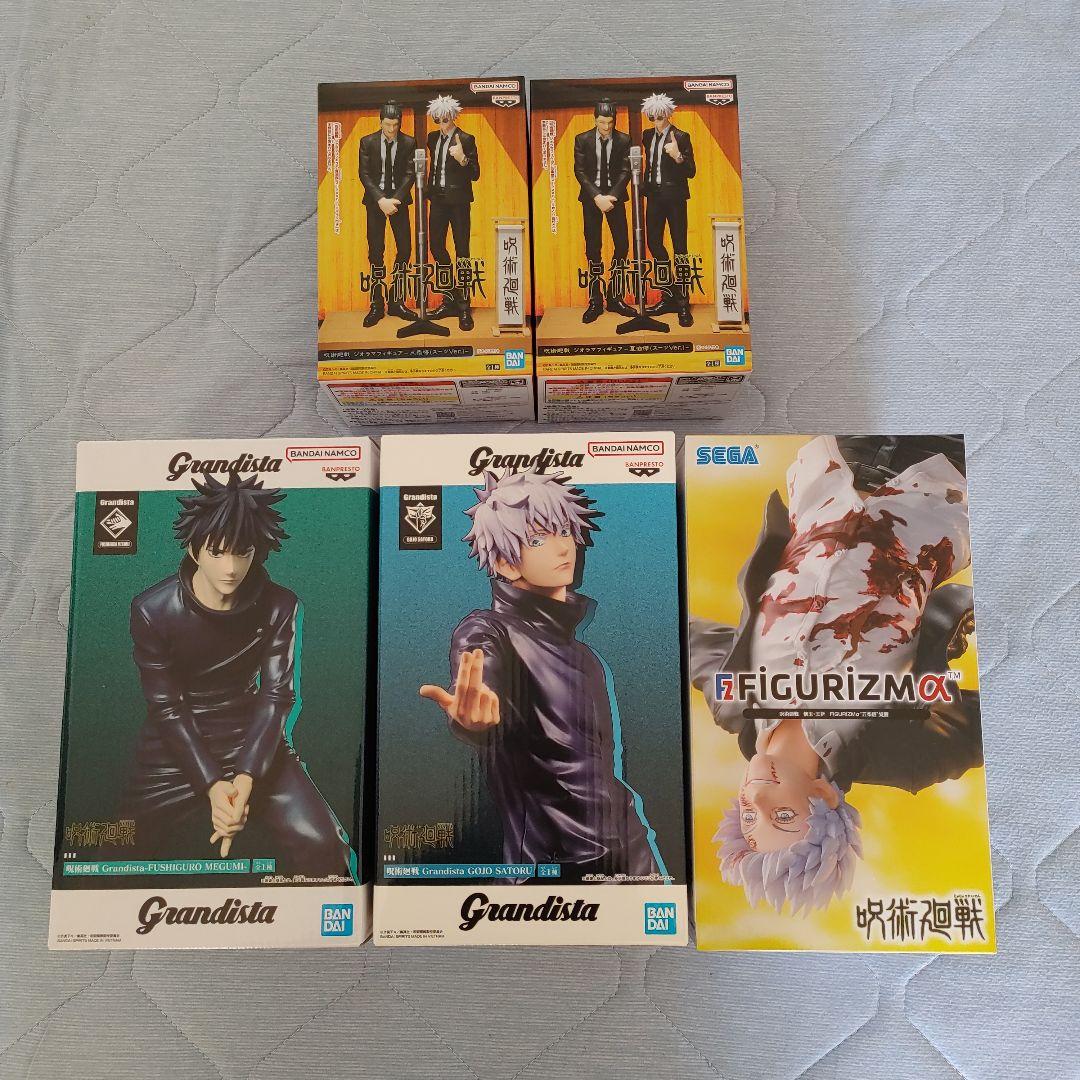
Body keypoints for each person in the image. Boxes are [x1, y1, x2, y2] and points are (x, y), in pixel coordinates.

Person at [690, 435, 982, 914]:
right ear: (823, 796)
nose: (755, 798)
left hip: (838, 465)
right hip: (940, 479)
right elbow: (1025, 723)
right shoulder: (904, 756)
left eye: (748, 816)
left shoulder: (734, 705)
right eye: (782, 816)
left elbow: (675, 634)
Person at [418, 468, 666, 883]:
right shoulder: (487, 630)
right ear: (503, 561)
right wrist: (474, 720)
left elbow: (598, 773)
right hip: (548, 871)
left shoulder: (586, 658)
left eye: (565, 532)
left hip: (631, 855)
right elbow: (481, 681)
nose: (562, 547)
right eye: (537, 539)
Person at [123, 472, 353, 879]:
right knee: (115, 855)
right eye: (217, 552)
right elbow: (167, 707)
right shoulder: (151, 610)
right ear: (194, 550)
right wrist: (213, 785)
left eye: (242, 553)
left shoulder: (281, 605)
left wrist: (245, 778)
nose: (230, 569)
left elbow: (277, 695)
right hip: (174, 748)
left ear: (256, 552)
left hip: (253, 738)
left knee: (325, 845)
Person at [573, 99, 636, 323]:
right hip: (592, 199)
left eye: (610, 122)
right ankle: (595, 300)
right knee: (593, 249)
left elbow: (626, 171)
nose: (606, 127)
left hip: (614, 198)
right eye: (602, 122)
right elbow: (580, 171)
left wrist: (612, 196)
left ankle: (615, 297)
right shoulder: (582, 139)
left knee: (622, 245)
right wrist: (597, 197)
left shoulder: (624, 140)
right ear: (595, 120)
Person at [358, 102, 418, 327]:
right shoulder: (367, 142)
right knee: (376, 253)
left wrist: (396, 199)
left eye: (395, 125)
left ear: (400, 122)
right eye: (387, 124)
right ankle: (376, 304)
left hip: (398, 202)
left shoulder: (409, 142)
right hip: (376, 202)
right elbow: (364, 174)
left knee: (405, 250)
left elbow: (410, 174)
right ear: (380, 121)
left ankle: (396, 301)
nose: (391, 129)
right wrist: (381, 200)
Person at [425, 94, 481, 331]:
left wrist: (462, 159)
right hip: (438, 200)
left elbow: (475, 174)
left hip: (459, 202)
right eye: (437, 119)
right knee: (436, 247)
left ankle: (464, 305)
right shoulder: (431, 138)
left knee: (462, 251)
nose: (441, 123)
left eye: (445, 119)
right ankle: (451, 298)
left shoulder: (466, 139)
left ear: (453, 116)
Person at [640, 92, 696, 327]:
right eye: (652, 117)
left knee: (680, 248)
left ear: (668, 115)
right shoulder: (646, 136)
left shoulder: (681, 136)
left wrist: (678, 156)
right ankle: (669, 294)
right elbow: (649, 166)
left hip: (675, 198)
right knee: (654, 243)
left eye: (660, 117)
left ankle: (683, 303)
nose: (657, 121)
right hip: (654, 197)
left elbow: (691, 171)